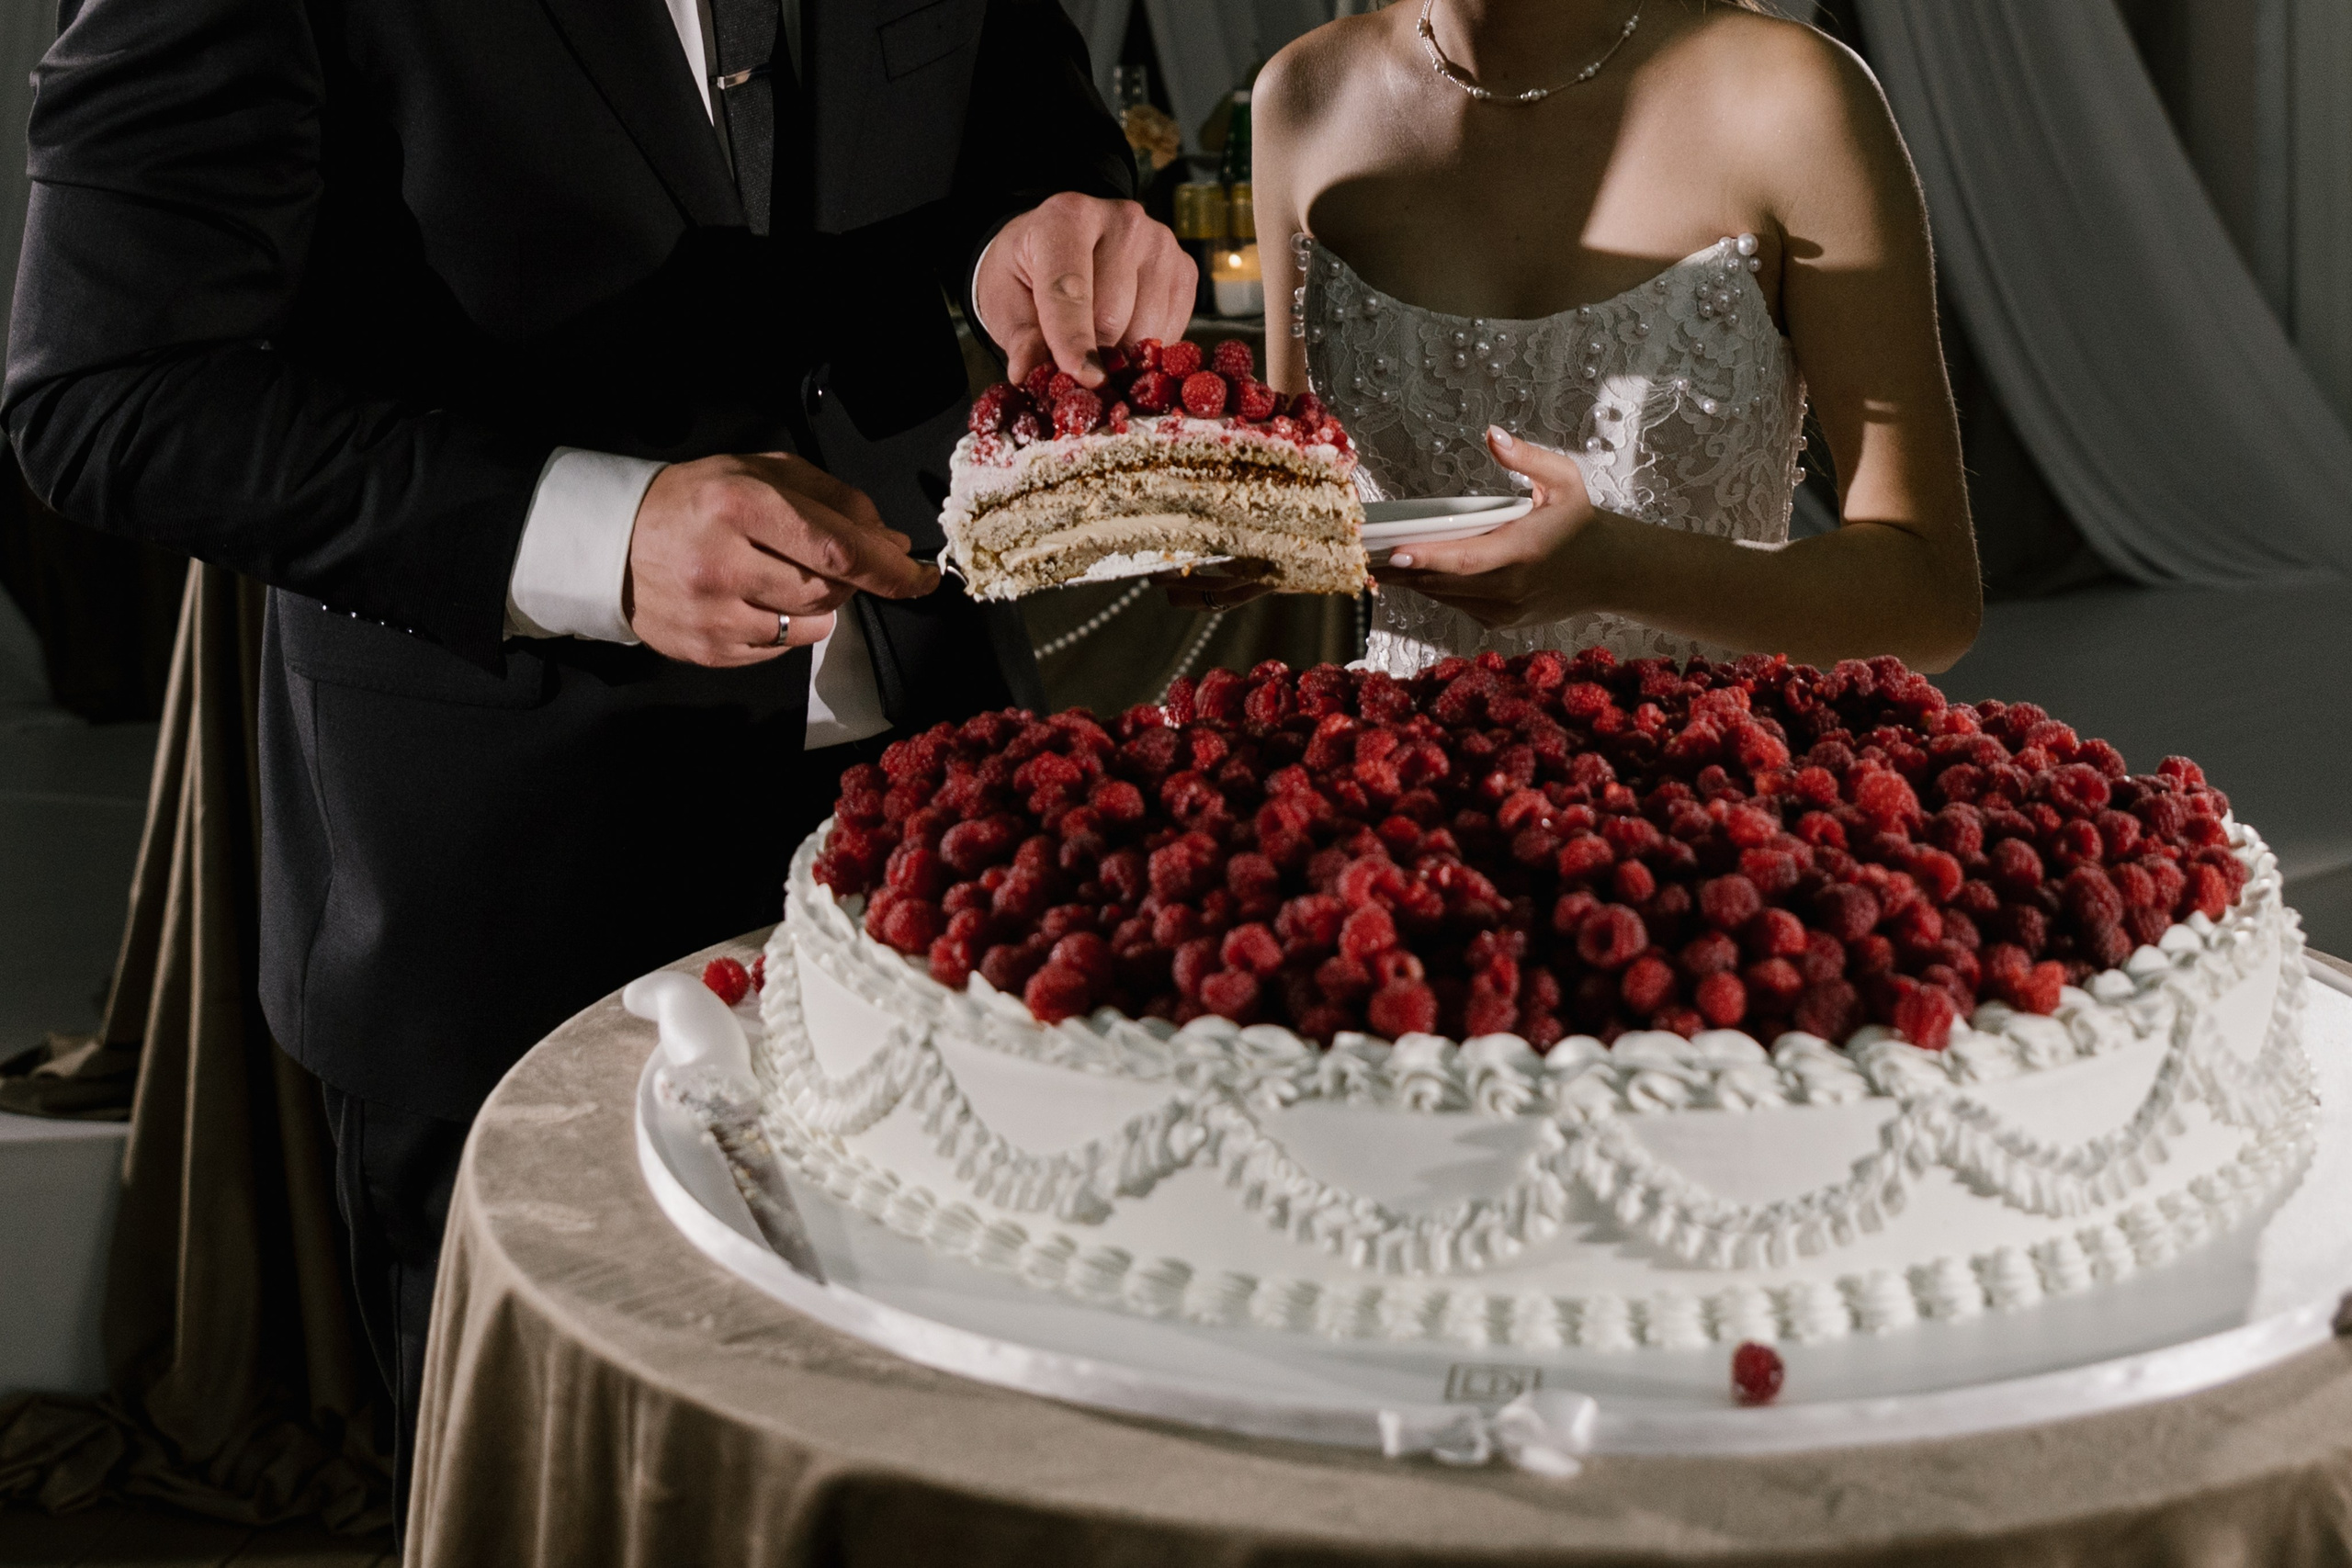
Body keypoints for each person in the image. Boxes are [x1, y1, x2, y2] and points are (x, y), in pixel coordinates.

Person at [4, 0, 1190, 1529]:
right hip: (508, 871)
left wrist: (1061, 235)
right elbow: (104, 394)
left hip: (949, 830)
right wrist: (595, 538)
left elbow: (1020, 151)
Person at [1182, 0, 1980, 675]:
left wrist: (1620, 571)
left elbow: (1932, 595)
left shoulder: (1792, 100)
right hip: (1411, 798)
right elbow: (1301, 487)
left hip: (1713, 784)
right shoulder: (1302, 94)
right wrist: (1193, 516)